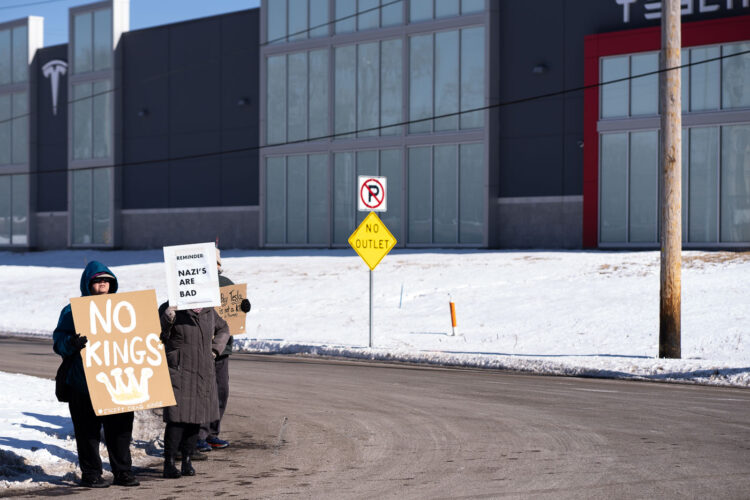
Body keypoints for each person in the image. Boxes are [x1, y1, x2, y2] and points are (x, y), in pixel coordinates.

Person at [53, 261, 140, 488]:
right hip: (83, 382)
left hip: (118, 380)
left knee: (120, 429)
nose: (103, 284)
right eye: (98, 280)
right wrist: (71, 342)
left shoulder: (125, 307)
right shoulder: (72, 310)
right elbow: (58, 343)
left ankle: (123, 472)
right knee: (87, 432)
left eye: (106, 280)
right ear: (88, 284)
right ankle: (91, 473)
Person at [159, 298, 230, 478]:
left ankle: (187, 460)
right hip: (179, 369)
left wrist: (215, 350)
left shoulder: (207, 309)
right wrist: (168, 318)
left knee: (196, 418)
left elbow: (224, 329)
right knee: (177, 418)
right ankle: (169, 462)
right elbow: (159, 335)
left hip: (202, 370)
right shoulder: (170, 307)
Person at [196, 248, 251, 452]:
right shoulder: (196, 284)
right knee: (204, 392)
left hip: (223, 347)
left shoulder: (227, 284)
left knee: (221, 391)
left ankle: (212, 433)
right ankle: (199, 435)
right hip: (200, 346)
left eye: (216, 263)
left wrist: (244, 307)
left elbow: (236, 311)